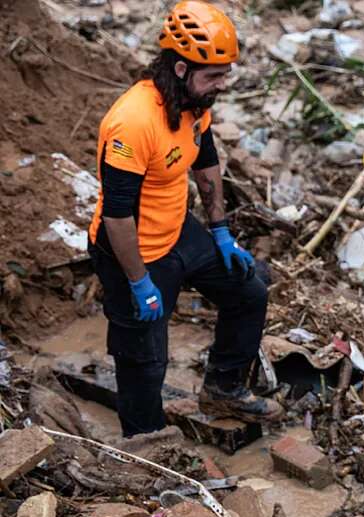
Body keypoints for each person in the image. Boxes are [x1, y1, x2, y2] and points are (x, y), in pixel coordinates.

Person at [87, 0, 280, 437]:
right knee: (145, 360)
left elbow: (206, 159)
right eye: (213, 76)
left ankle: (223, 388)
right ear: (178, 69)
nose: (222, 85)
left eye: (225, 74)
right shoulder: (132, 122)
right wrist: (138, 281)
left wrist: (220, 231)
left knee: (249, 291)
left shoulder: (194, 100)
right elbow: (117, 216)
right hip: (131, 249)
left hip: (178, 231)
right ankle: (148, 445)